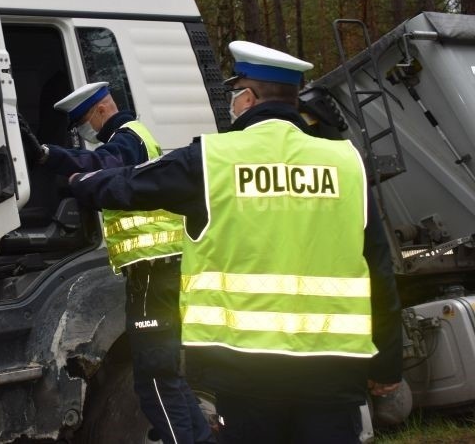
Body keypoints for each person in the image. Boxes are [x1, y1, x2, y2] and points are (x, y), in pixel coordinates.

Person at [68, 43, 403, 444]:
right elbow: (379, 269)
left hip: (247, 372)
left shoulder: (212, 159)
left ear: (247, 98)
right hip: (331, 369)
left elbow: (127, 185)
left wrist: (76, 181)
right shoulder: (345, 162)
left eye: (234, 92)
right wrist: (387, 363)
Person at [20, 81, 214, 444]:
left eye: (84, 124)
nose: (85, 134)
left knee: (154, 380)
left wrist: (51, 156)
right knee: (167, 377)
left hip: (153, 274)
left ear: (102, 111)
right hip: (160, 272)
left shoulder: (129, 140)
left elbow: (100, 164)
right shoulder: (135, 138)